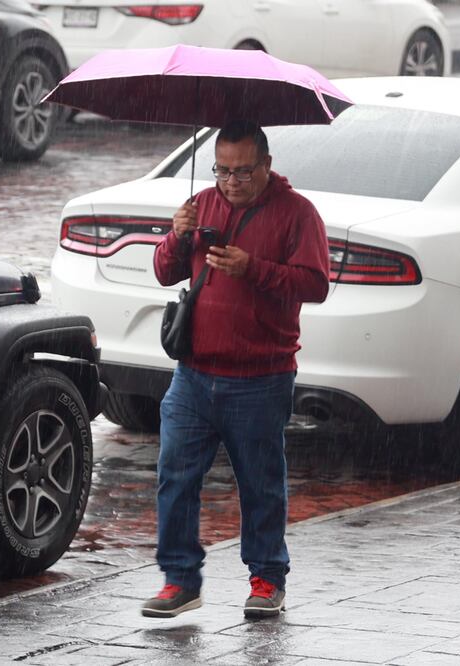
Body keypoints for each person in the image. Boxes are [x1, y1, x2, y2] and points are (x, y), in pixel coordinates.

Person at [142, 120, 330, 619]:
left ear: (266, 165)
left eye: (243, 173)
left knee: (260, 483)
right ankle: (180, 580)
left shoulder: (298, 214)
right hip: (194, 374)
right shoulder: (201, 204)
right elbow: (164, 272)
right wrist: (177, 237)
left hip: (261, 378)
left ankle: (268, 578)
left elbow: (315, 284)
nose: (231, 183)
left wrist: (254, 269)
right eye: (222, 171)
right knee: (174, 475)